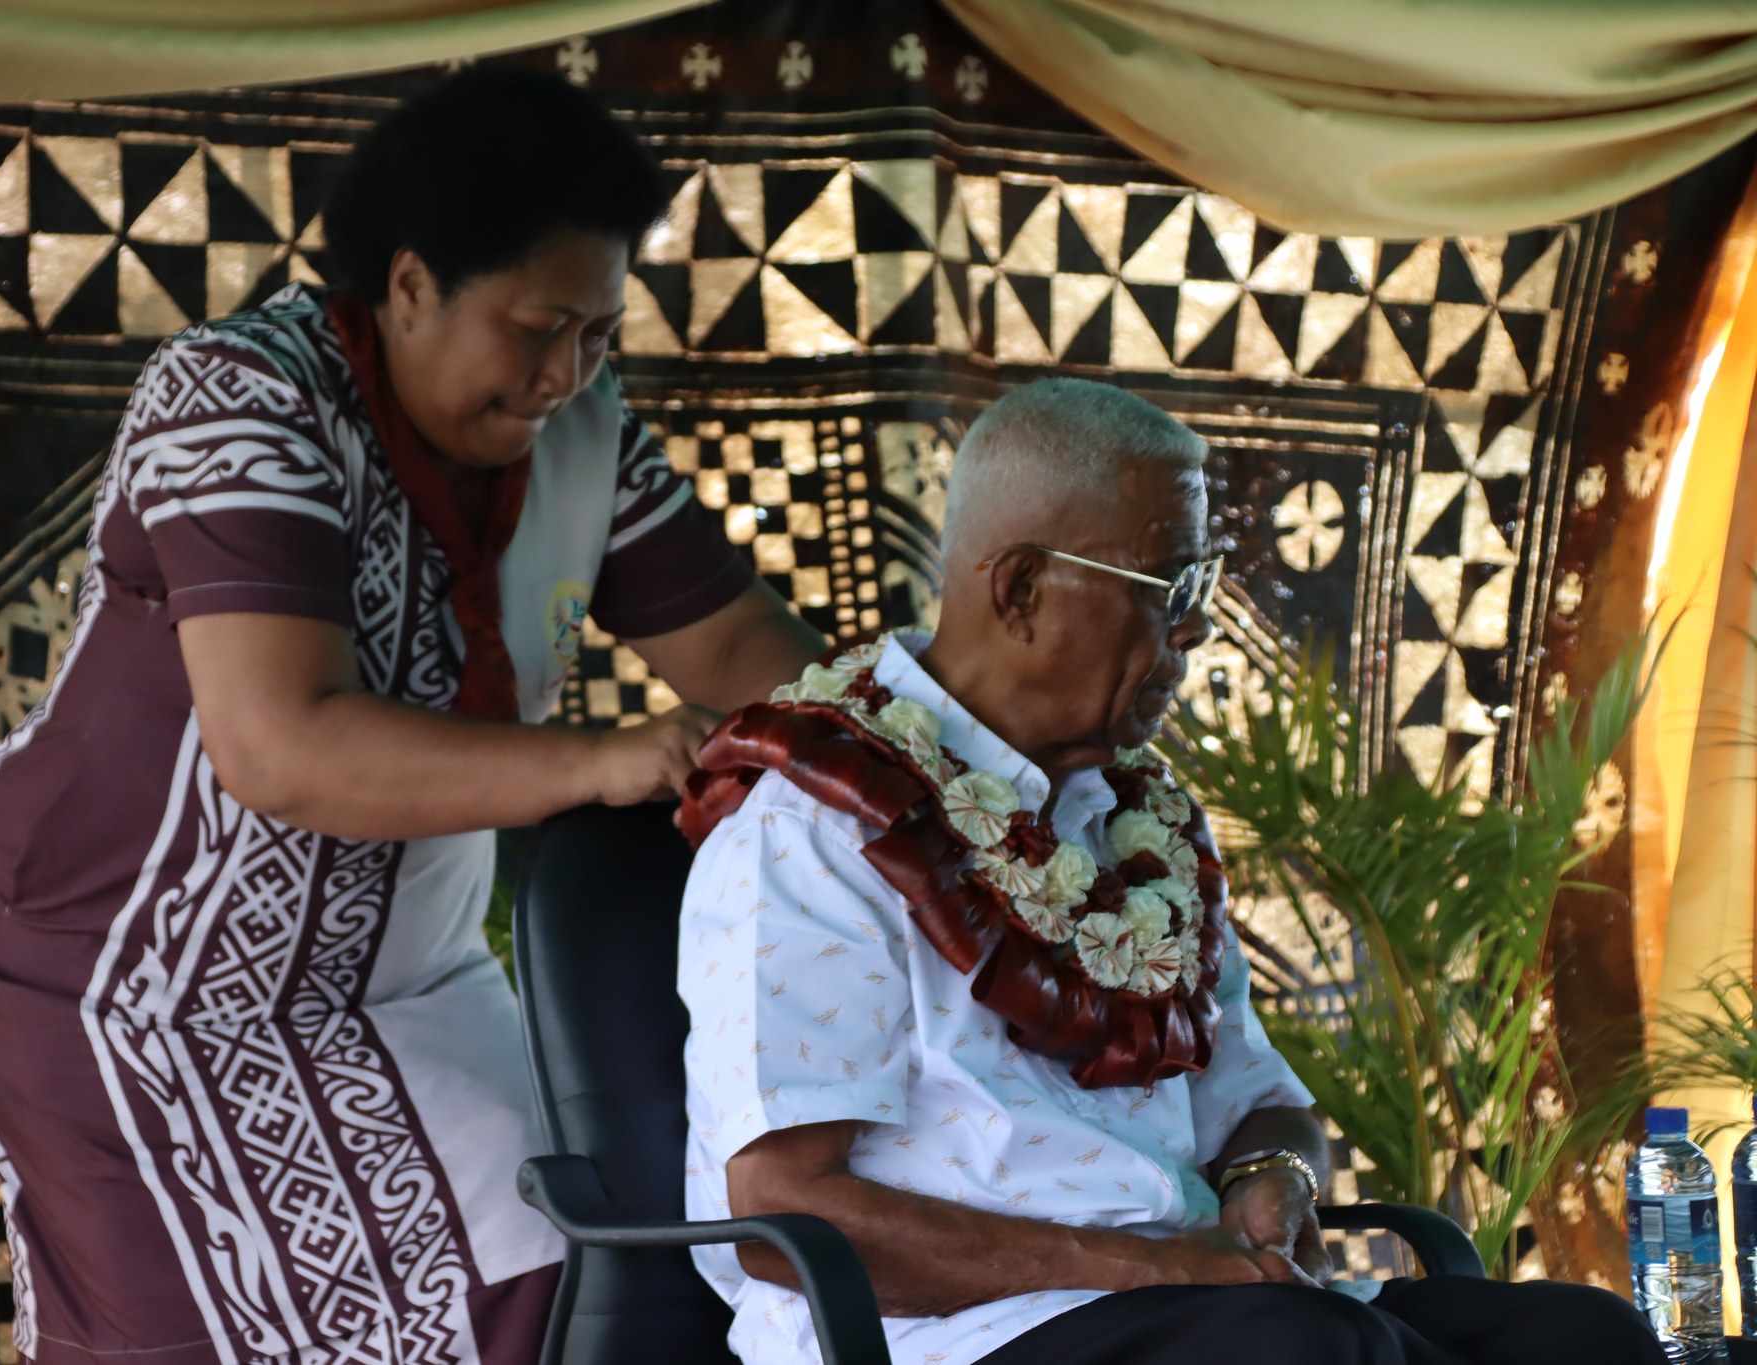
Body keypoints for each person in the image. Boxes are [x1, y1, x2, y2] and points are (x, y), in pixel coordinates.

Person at [0, 67, 825, 1365]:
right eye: (538, 327)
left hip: (402, 973)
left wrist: (899, 758)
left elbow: (741, 646)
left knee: (565, 1272)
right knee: (185, 1335)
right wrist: (597, 763)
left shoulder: (581, 433)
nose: (565, 372)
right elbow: (280, 748)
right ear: (410, 285)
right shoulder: (244, 397)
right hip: (131, 979)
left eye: (597, 332)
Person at [676, 379, 1663, 1365]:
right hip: (959, 1336)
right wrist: (1157, 1267)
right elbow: (781, 1210)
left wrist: (1272, 1175)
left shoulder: (1135, 823)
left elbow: (1258, 1104)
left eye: (1202, 584)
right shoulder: (815, 829)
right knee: (1310, 1350)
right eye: (1167, 588)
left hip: (1205, 1310)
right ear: (1020, 589)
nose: (1195, 630)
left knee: (1583, 1337)